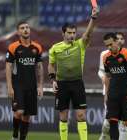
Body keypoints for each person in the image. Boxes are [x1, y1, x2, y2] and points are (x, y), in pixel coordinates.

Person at [48, 8, 99, 140]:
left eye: (74, 33)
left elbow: (87, 34)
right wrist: (53, 80)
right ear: (63, 33)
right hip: (62, 84)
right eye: (69, 33)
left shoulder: (80, 45)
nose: (72, 35)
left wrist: (93, 18)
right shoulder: (55, 48)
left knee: (81, 116)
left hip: (77, 83)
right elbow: (51, 65)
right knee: (63, 116)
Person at [5, 21, 44, 140]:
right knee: (19, 111)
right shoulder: (13, 47)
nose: (25, 30)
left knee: (27, 116)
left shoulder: (37, 47)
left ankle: (22, 138)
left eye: (27, 27)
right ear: (18, 32)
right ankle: (15, 135)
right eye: (22, 28)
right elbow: (8, 67)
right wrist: (9, 86)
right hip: (18, 85)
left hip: (31, 85)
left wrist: (40, 85)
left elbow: (40, 67)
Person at [102, 32, 127, 140]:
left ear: (116, 41)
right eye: (106, 45)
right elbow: (108, 77)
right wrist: (106, 94)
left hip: (126, 93)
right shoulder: (106, 58)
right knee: (113, 122)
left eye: (110, 44)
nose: (109, 47)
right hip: (113, 94)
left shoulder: (126, 53)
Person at [98, 32, 127, 140]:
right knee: (108, 121)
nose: (120, 41)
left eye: (121, 38)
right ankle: (103, 134)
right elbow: (101, 72)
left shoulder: (126, 54)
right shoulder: (104, 55)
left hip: (123, 92)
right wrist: (104, 80)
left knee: (123, 122)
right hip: (109, 90)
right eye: (118, 38)